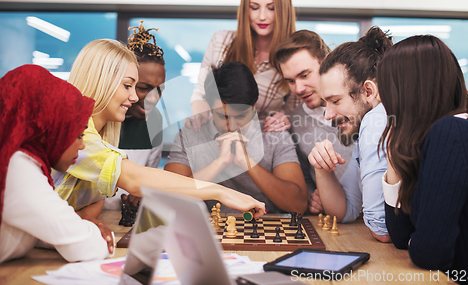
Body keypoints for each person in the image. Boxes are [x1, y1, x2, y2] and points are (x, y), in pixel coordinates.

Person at [52, 39, 266, 221]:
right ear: (101, 82)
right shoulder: (75, 132)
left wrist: (76, 220)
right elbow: (134, 179)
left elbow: (93, 206)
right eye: (128, 86)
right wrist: (221, 192)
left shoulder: (103, 133)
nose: (135, 97)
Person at [378, 35, 468, 274]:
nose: (386, 102)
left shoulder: (453, 132)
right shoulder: (446, 134)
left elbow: (429, 254)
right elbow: (401, 238)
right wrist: (394, 157)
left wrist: (419, 242)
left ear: (407, 90)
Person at [0, 65, 113, 264]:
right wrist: (96, 233)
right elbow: (85, 248)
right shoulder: (17, 168)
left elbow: (38, 229)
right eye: (77, 134)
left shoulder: (17, 161)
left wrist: (77, 227)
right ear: (50, 129)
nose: (82, 144)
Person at [165, 61, 308, 214]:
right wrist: (219, 163)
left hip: (264, 232)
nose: (232, 126)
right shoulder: (190, 135)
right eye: (223, 116)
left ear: (253, 108)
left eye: (241, 116)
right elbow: (167, 197)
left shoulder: (274, 135)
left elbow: (298, 205)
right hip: (208, 232)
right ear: (209, 106)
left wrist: (247, 163)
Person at [308, 27, 392, 242]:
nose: (328, 115)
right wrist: (322, 169)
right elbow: (345, 211)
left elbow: (382, 231)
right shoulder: (366, 134)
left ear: (369, 92)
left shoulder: (377, 122)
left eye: (335, 101)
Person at [188, 0, 299, 132]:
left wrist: (284, 119)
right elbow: (200, 95)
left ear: (284, 11)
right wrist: (199, 119)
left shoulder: (292, 59)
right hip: (215, 137)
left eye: (271, 8)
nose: (262, 16)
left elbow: (294, 113)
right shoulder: (221, 41)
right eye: (254, 7)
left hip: (260, 143)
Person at [273, 30, 354, 214]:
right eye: (290, 81)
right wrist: (313, 197)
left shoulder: (361, 106)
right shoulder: (293, 122)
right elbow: (305, 179)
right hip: (336, 224)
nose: (298, 88)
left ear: (326, 62)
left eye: (304, 75)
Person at [104, 21, 166, 210]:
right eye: (143, 88)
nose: (153, 99)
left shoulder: (154, 122)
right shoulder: (94, 122)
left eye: (159, 89)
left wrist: (142, 195)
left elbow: (147, 178)